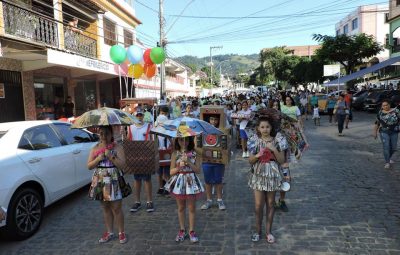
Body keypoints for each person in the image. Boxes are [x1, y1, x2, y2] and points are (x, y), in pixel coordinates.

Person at [248, 117, 286, 243]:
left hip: (272, 174)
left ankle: (268, 231)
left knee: (270, 204)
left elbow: (282, 160)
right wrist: (258, 155)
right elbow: (250, 161)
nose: (265, 129)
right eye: (262, 127)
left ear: (271, 128)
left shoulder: (277, 141)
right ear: (258, 128)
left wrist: (273, 149)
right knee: (258, 205)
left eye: (267, 127)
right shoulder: (254, 141)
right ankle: (257, 231)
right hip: (259, 174)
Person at [87, 126, 127, 244]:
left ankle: (121, 232)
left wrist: (111, 156)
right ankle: (109, 232)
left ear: (111, 134)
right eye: (101, 134)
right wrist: (98, 159)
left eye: (106, 134)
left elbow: (123, 165)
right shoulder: (95, 148)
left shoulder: (117, 147)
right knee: (105, 208)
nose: (104, 136)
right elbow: (89, 166)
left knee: (116, 208)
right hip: (100, 179)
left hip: (114, 178)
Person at [164, 136, 204, 243]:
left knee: (191, 208)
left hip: (191, 182)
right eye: (181, 139)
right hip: (180, 182)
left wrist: (189, 162)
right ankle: (182, 229)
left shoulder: (195, 153)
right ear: (177, 140)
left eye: (186, 139)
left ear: (190, 140)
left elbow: (198, 170)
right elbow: (171, 172)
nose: (184, 142)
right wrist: (179, 167)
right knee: (181, 207)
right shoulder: (175, 154)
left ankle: (192, 230)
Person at [127, 110, 154, 212]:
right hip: (135, 157)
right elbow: (128, 141)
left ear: (143, 116)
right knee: (137, 180)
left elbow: (152, 140)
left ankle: (149, 201)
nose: (139, 117)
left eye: (140, 115)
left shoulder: (149, 126)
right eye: (137, 115)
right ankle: (137, 202)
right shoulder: (130, 127)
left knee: (147, 180)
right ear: (135, 116)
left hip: (146, 157)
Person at [200, 115, 226, 211]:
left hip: (218, 159)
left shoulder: (222, 130)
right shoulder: (203, 131)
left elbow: (225, 143)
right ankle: (209, 200)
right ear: (208, 120)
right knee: (208, 181)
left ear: (218, 120)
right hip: (206, 159)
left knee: (218, 180)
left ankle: (219, 200)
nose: (213, 121)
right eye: (211, 119)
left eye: (215, 119)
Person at [373, 100, 400, 169]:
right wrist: (375, 132)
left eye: (386, 105)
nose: (385, 106)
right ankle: (387, 162)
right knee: (386, 146)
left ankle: (388, 157)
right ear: (382, 106)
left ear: (389, 105)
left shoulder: (396, 111)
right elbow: (377, 123)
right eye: (383, 105)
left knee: (393, 148)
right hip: (384, 132)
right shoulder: (380, 113)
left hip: (394, 132)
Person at [155, 106, 171, 196]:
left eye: (164, 113)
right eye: (161, 113)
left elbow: (171, 135)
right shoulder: (156, 123)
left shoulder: (169, 123)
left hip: (167, 148)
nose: (163, 115)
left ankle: (168, 187)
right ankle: (161, 187)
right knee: (159, 171)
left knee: (167, 171)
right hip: (158, 148)